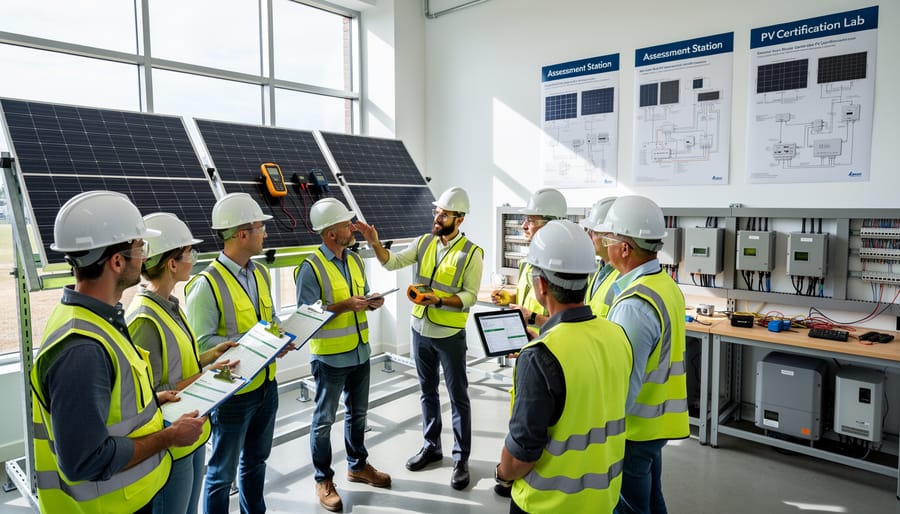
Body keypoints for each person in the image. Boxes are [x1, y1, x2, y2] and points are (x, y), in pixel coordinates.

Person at [30, 191, 205, 514]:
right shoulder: (81, 349)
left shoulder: (99, 319)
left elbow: (114, 405)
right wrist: (167, 437)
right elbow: (85, 461)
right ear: (117, 261)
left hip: (132, 497)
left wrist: (154, 399)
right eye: (140, 248)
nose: (144, 257)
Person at [495, 220, 633, 514]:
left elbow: (519, 459)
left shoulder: (540, 356)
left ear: (540, 285)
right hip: (602, 500)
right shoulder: (617, 335)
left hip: (548, 505)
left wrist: (501, 474)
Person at [356, 186, 483, 490]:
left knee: (458, 398)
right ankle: (432, 447)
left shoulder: (472, 253)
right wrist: (375, 243)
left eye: (443, 213)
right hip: (420, 331)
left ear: (459, 218)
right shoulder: (424, 242)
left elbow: (470, 296)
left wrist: (438, 301)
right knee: (427, 392)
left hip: (449, 335)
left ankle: (461, 459)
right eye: (436, 211)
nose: (437, 217)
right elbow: (392, 262)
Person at [185, 192, 294, 514]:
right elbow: (202, 347)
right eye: (261, 227)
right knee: (221, 473)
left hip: (266, 386)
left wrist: (280, 338)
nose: (266, 233)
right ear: (242, 234)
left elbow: (269, 320)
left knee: (256, 461)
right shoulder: (206, 284)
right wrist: (258, 344)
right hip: (232, 394)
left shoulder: (260, 273)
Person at [125, 212, 238, 514]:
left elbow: (177, 366)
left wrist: (208, 358)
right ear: (172, 263)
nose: (194, 257)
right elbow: (149, 393)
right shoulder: (143, 320)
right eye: (190, 252)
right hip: (170, 444)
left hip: (192, 431)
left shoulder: (171, 306)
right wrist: (208, 375)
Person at [295, 198, 391, 512]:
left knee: (358, 415)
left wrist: (370, 301)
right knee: (323, 422)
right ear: (331, 233)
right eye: (346, 225)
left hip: (360, 352)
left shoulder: (354, 260)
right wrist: (344, 306)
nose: (353, 228)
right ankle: (323, 479)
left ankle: (357, 465)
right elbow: (307, 315)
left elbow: (359, 295)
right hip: (330, 358)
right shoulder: (309, 268)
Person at [600, 195, 689, 514]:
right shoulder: (665, 285)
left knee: (629, 507)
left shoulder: (634, 305)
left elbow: (624, 384)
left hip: (634, 430)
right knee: (651, 500)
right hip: (657, 424)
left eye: (608, 237)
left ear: (624, 248)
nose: (604, 244)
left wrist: (602, 435)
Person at [491, 188, 567, 332]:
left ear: (551, 224)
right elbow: (529, 298)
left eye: (530, 220)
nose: (523, 226)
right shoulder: (528, 261)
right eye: (524, 219)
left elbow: (567, 325)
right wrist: (511, 298)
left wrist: (532, 318)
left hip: (547, 345)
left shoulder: (563, 268)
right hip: (526, 341)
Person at [580, 197, 620, 318]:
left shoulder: (624, 279)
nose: (587, 236)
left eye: (593, 232)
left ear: (611, 236)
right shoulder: (597, 271)